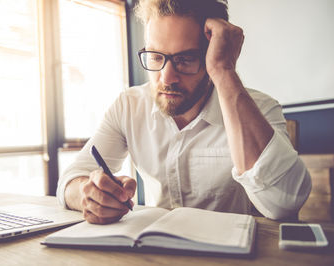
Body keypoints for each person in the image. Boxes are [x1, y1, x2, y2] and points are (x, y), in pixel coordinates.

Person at [57, 0, 311, 224]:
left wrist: (224, 71)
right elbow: (70, 180)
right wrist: (89, 195)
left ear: (212, 54)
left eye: (185, 59)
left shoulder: (261, 108)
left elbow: (284, 203)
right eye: (156, 57)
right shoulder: (129, 106)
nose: (166, 78)